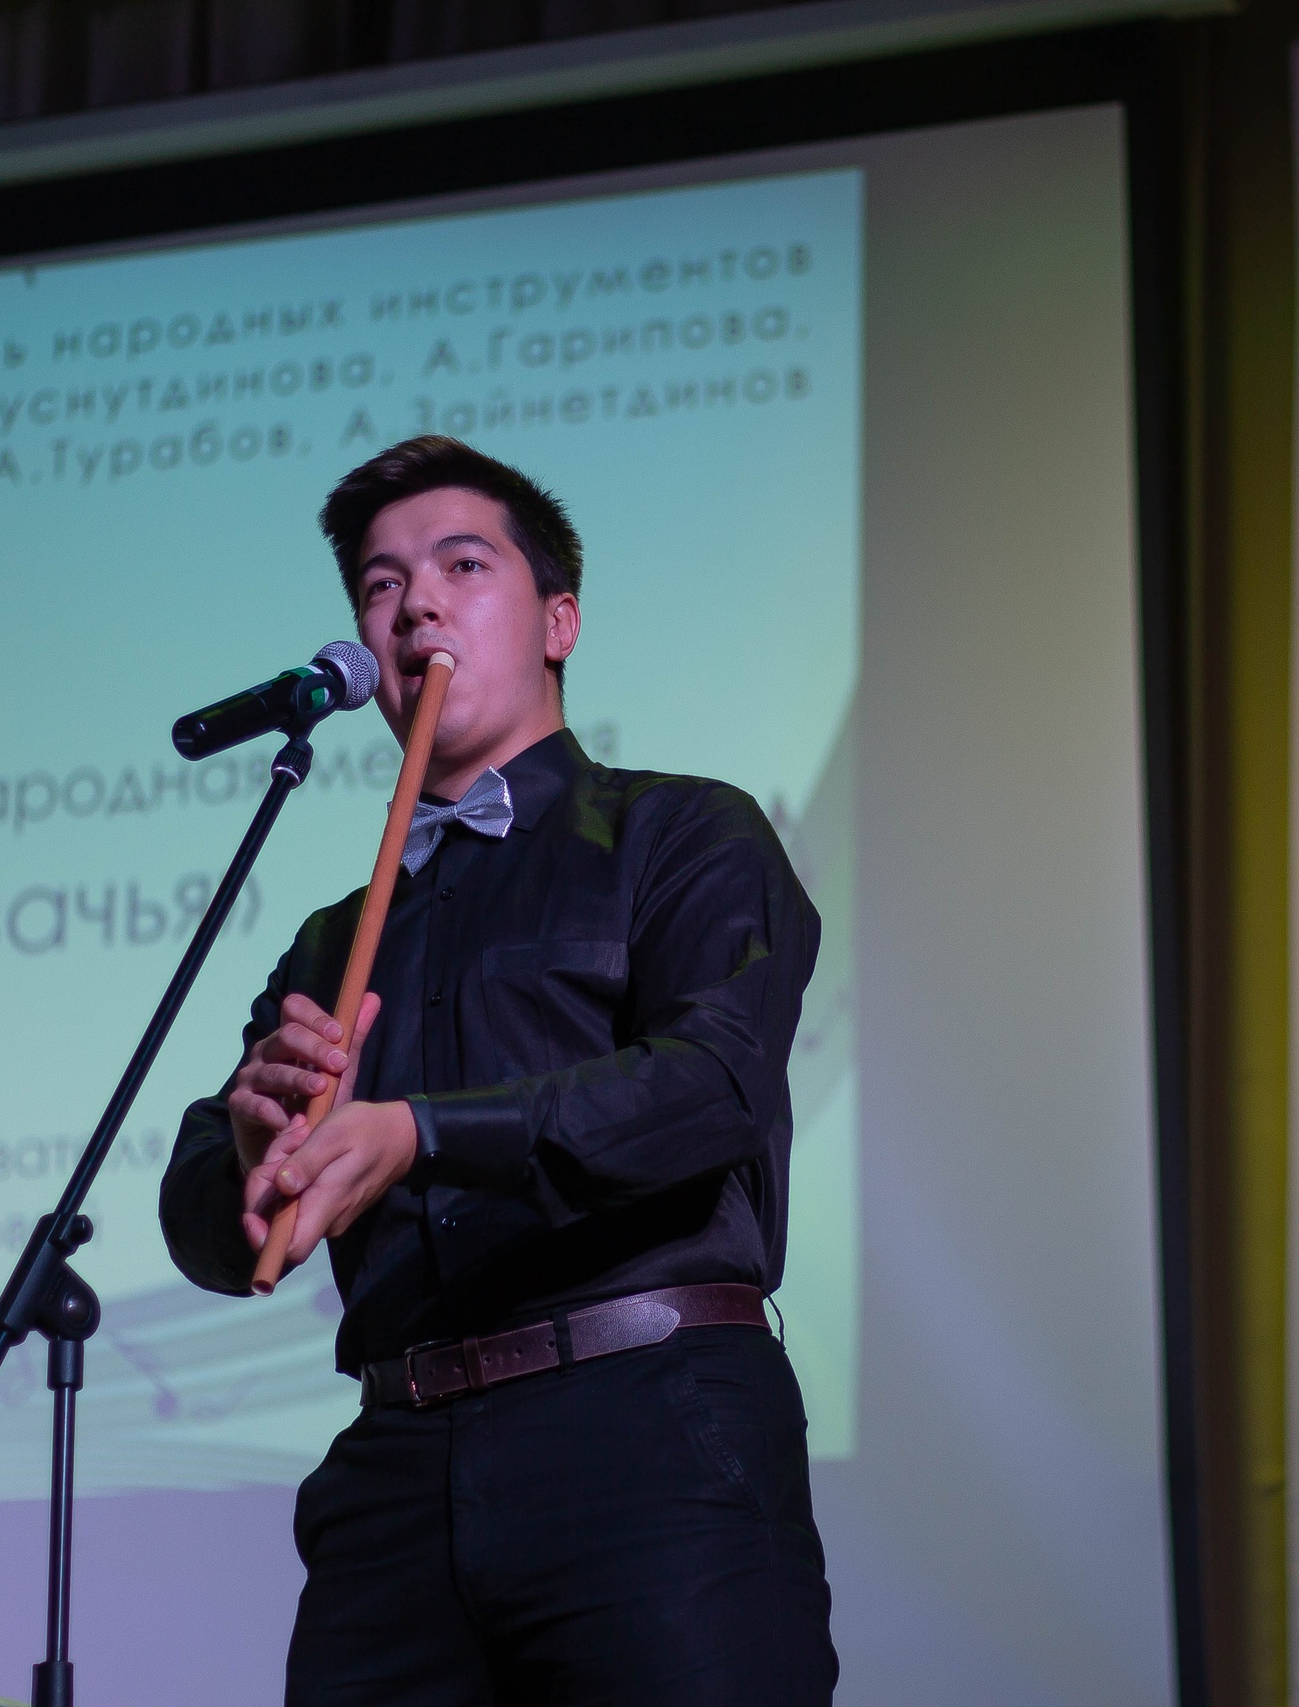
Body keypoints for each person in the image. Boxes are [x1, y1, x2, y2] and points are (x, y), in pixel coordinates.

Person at [158, 435, 838, 1706]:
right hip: (396, 1471)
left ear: (558, 621)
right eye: (379, 584)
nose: (413, 604)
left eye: (461, 566)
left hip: (649, 1431)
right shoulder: (330, 940)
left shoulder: (681, 831)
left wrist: (418, 1131)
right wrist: (249, 1162)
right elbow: (210, 1215)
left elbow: (712, 1087)